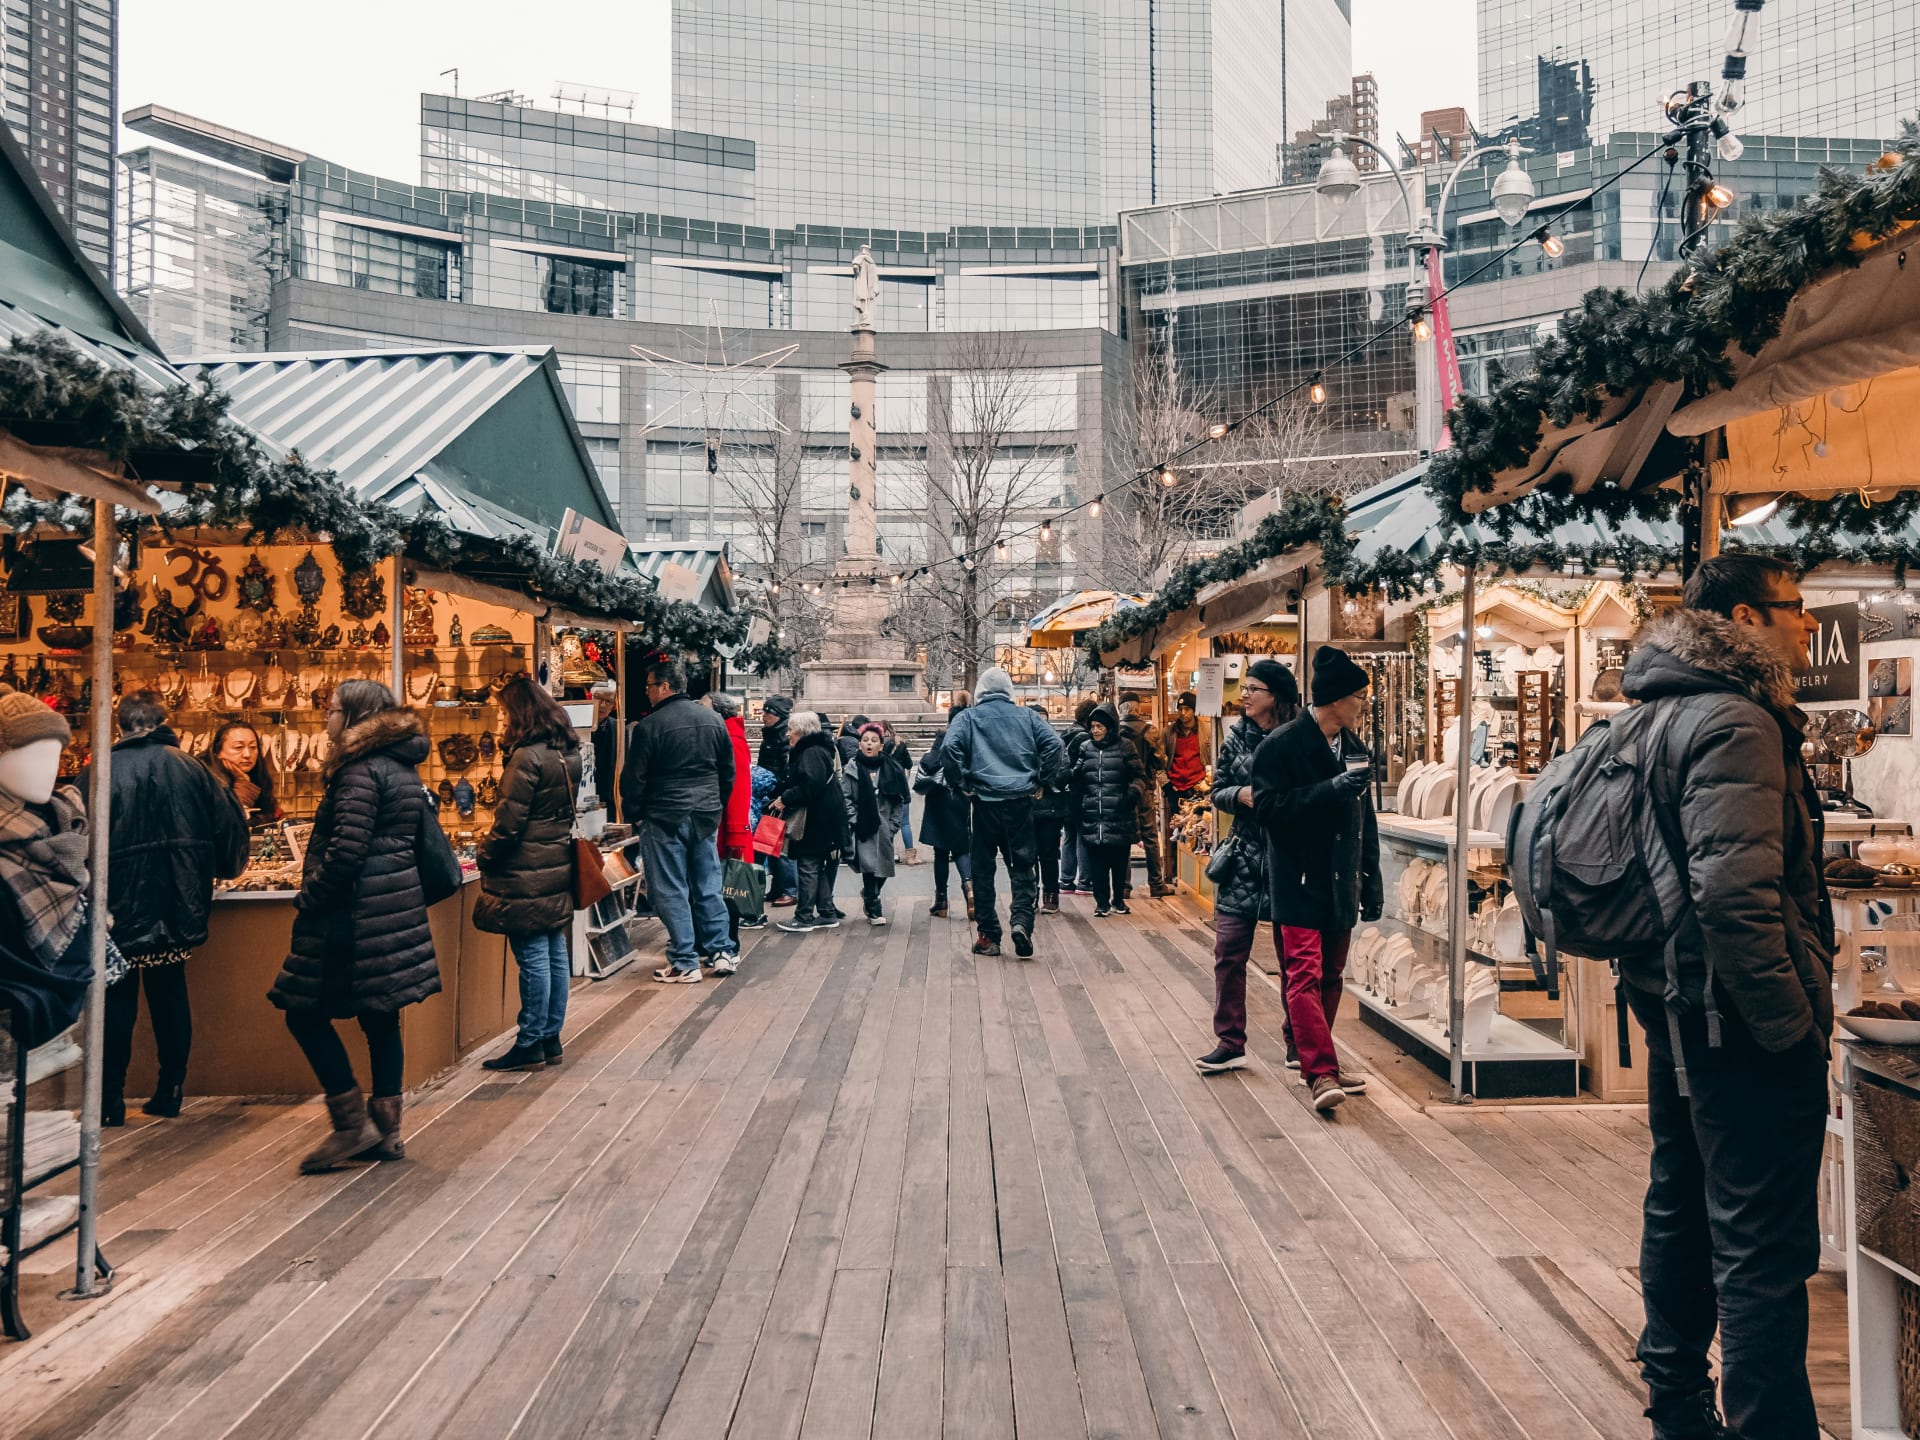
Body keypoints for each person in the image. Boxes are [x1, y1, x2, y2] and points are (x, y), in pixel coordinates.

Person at [1610, 553, 1830, 1440]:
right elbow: (1733, 895)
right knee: (1763, 1245)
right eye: (1795, 607)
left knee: (1685, 1202)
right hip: (1734, 1015)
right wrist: (1788, 1023)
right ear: (1744, 620)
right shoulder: (1738, 722)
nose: (1808, 624)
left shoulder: (1659, 710)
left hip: (1675, 1004)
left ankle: (1676, 1398)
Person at [269, 681, 440, 1172]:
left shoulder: (359, 772)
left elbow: (347, 850)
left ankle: (351, 1125)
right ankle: (386, 1132)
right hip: (389, 910)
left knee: (301, 1011)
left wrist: (311, 896)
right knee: (380, 1016)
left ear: (355, 716)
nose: (327, 720)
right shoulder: (401, 766)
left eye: (332, 711)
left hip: (353, 914)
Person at [99, 693, 249, 1125]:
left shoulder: (101, 771)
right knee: (169, 992)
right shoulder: (193, 770)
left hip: (117, 909)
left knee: (117, 997)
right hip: (177, 900)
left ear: (120, 725)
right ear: (166, 722)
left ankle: (109, 1101)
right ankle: (170, 1091)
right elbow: (228, 839)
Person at [1252, 647, 1380, 1113]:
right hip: (1298, 879)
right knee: (1302, 974)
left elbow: (1366, 817)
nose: (1364, 704)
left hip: (1342, 879)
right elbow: (1266, 810)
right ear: (1336, 700)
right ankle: (1320, 1070)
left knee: (1330, 974)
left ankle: (1320, 1058)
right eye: (1359, 697)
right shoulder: (1281, 746)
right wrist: (1327, 791)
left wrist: (1372, 875)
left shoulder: (1356, 748)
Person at [1194, 660, 1298, 1075]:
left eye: (1255, 688)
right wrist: (1241, 795)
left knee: (1293, 958)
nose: (1246, 694)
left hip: (1288, 857)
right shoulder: (1236, 735)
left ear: (1276, 696)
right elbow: (1218, 790)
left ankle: (1298, 1041)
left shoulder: (1299, 738)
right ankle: (1230, 1041)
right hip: (1242, 857)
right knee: (1228, 951)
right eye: (1246, 686)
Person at [475, 678, 584, 1072]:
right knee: (553, 951)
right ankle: (550, 1036)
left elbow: (509, 823)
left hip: (525, 868)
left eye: (505, 712)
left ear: (519, 713)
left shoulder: (526, 757)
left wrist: (485, 854)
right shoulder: (566, 752)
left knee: (534, 956)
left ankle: (531, 1040)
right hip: (553, 861)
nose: (502, 720)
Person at [621, 659, 737, 983]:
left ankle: (685, 959)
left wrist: (635, 815)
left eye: (649, 686)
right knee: (707, 884)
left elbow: (634, 780)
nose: (647, 693)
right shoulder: (714, 720)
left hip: (664, 816)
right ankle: (721, 951)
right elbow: (727, 773)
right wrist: (716, 806)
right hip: (704, 815)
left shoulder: (650, 726)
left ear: (665, 687)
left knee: (671, 888)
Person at [940, 666, 1064, 959]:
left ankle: (989, 936)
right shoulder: (1028, 716)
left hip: (984, 803)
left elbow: (949, 750)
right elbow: (1055, 746)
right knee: (1022, 867)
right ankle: (1021, 921)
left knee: (983, 871)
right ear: (1009, 690)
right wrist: (1042, 781)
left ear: (981, 691)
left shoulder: (968, 718)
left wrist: (962, 781)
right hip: (1020, 802)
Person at [774, 711, 850, 931]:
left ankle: (804, 916)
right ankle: (826, 912)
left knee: (808, 864)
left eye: (790, 730)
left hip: (817, 818)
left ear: (801, 731)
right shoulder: (818, 749)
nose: (788, 734)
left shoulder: (810, 752)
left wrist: (784, 798)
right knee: (817, 864)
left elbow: (810, 784)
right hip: (826, 816)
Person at [1070, 702, 1142, 917]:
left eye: (1099, 726)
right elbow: (1077, 773)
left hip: (1119, 813)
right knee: (1097, 864)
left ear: (1110, 727)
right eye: (1092, 726)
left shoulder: (1126, 746)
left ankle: (1118, 899)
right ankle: (1101, 902)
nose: (1095, 731)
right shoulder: (1086, 748)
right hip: (1093, 813)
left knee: (1119, 862)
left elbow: (1139, 775)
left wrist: (1131, 794)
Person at [840, 722, 908, 925]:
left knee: (884, 867)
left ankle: (871, 893)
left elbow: (899, 800)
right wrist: (854, 818)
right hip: (863, 826)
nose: (869, 744)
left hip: (884, 826)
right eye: (865, 740)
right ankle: (873, 905)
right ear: (860, 744)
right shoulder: (851, 769)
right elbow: (845, 798)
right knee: (869, 867)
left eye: (874, 740)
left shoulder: (891, 768)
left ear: (881, 745)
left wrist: (894, 824)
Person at [711, 691, 761, 945]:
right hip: (725, 829)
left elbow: (738, 790)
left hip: (730, 831)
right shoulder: (726, 737)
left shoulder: (731, 740)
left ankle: (729, 942)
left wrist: (735, 833)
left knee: (729, 888)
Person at [918, 692, 974, 920]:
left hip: (938, 797)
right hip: (960, 797)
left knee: (940, 850)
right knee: (961, 847)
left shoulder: (943, 738)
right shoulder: (969, 739)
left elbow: (930, 762)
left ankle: (941, 900)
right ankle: (970, 887)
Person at [1119, 694, 1173, 897]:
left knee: (1124, 838)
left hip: (1122, 792)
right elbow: (1160, 762)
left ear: (1122, 708)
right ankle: (1156, 884)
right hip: (1145, 791)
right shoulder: (1150, 731)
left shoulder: (1115, 732)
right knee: (1150, 837)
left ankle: (1123, 886)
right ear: (1138, 708)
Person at [758, 696, 798, 908]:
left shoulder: (784, 738)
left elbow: (786, 770)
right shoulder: (771, 736)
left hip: (780, 798)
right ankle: (778, 886)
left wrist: (781, 795)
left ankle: (790, 889)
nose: (764, 716)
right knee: (769, 844)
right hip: (769, 796)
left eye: (768, 713)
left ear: (779, 715)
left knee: (782, 846)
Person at [205, 720, 281, 827]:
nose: (247, 754)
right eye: (238, 747)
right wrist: (244, 787)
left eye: (253, 747)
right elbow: (227, 824)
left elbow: (266, 814)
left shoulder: (257, 775)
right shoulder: (205, 780)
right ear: (218, 751)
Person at [1057, 698, 1096, 895]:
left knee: (1069, 836)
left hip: (1066, 794)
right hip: (1080, 793)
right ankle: (1085, 880)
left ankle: (1065, 879)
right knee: (1083, 835)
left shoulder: (1066, 734)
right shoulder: (1085, 738)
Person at [589, 680, 633, 821]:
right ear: (590, 697)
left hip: (607, 797)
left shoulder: (619, 729)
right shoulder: (574, 723)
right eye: (599, 698)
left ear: (614, 705)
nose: (602, 705)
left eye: (608, 701)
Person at [879, 720, 921, 864]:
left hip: (884, 787)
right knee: (904, 823)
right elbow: (909, 764)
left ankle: (889, 853)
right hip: (900, 786)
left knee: (885, 821)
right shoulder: (900, 744)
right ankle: (910, 855)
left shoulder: (878, 745)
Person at [1167, 690, 1207, 803]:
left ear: (1194, 710)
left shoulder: (1205, 732)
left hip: (1198, 787)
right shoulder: (1169, 733)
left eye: (1187, 709)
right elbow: (1159, 762)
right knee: (1175, 820)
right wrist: (1166, 784)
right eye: (1180, 709)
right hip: (1175, 789)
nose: (1183, 712)